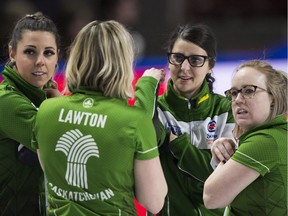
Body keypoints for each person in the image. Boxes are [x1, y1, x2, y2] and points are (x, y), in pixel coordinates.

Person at [32, 20, 167, 215]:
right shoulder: (135, 121)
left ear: (76, 58)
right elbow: (154, 202)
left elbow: (51, 172)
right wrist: (146, 87)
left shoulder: (46, 111)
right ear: (123, 63)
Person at [134, 23, 235, 215]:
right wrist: (147, 85)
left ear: (210, 65)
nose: (184, 68)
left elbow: (224, 178)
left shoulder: (227, 109)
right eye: (178, 58)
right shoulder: (157, 110)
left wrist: (177, 144)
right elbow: (138, 144)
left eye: (195, 60)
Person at [203, 60, 287, 215]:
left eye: (249, 91)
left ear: (273, 97)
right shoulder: (275, 135)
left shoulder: (265, 141)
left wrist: (225, 158)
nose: (238, 100)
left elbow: (211, 197)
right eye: (234, 93)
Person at [0, 12, 61, 215]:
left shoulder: (42, 95)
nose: (40, 61)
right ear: (12, 53)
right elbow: (63, 143)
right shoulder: (6, 102)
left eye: (48, 53)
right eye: (30, 52)